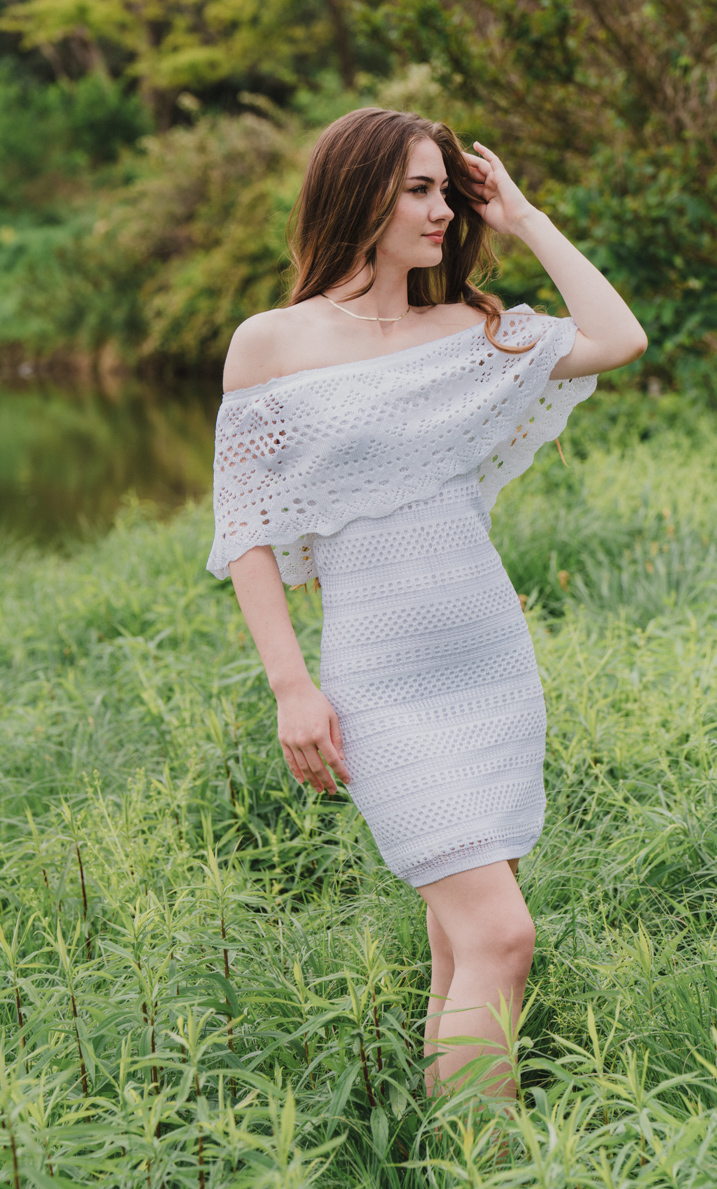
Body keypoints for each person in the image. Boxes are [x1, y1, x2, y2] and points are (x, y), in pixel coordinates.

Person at [207, 107, 646, 1109]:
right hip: (382, 685)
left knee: (462, 943)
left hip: (489, 665)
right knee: (502, 934)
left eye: (445, 189)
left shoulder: (471, 331)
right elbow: (246, 531)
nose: (441, 208)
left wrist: (525, 219)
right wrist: (291, 689)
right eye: (417, 189)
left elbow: (617, 337)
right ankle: (494, 1161)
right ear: (356, 193)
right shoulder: (271, 344)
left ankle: (452, 1158)